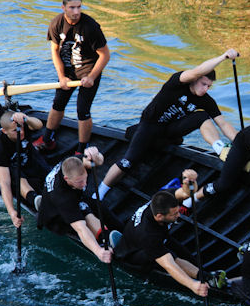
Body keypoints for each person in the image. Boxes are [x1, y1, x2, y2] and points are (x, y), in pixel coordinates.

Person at [95, 49, 240, 200]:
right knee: (127, 162)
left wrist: (241, 144)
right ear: (195, 80)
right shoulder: (177, 82)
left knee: (202, 116)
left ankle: (219, 148)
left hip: (170, 133)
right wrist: (223, 57)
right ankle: (99, 193)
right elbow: (197, 71)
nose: (205, 89)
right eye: (203, 84)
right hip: (149, 126)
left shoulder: (206, 101)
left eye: (208, 86)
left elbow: (223, 124)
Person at [112, 176, 224, 298]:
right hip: (133, 255)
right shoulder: (148, 235)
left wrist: (189, 183)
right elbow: (169, 264)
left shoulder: (164, 197)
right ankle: (205, 278)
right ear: (159, 216)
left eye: (178, 211)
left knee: (187, 255)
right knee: (172, 257)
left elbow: (185, 193)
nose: (178, 215)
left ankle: (205, 275)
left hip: (157, 237)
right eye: (174, 214)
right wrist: (192, 285)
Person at [36, 0, 110, 154]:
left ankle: (81, 150)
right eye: (72, 7)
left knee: (82, 110)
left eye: (79, 7)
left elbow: (105, 55)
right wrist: (61, 77)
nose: (76, 12)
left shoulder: (90, 27)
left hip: (89, 71)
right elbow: (55, 51)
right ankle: (47, 140)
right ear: (63, 7)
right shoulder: (56, 23)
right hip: (68, 71)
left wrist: (91, 77)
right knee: (58, 104)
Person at [36, 148, 120, 264]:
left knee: (100, 206)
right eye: (80, 181)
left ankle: (121, 230)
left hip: (76, 196)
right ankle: (107, 238)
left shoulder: (75, 162)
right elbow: (81, 229)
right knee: (86, 212)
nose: (84, 184)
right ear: (67, 179)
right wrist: (98, 251)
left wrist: (95, 155)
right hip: (56, 216)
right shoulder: (62, 198)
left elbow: (100, 161)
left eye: (85, 179)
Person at [0, 111, 50, 228]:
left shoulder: (22, 125)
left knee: (47, 171)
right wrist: (11, 212)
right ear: (5, 131)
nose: (21, 132)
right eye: (15, 131)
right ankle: (34, 198)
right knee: (17, 174)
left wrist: (26, 119)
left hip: (29, 157)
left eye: (22, 128)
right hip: (13, 168)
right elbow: (4, 183)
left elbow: (39, 125)